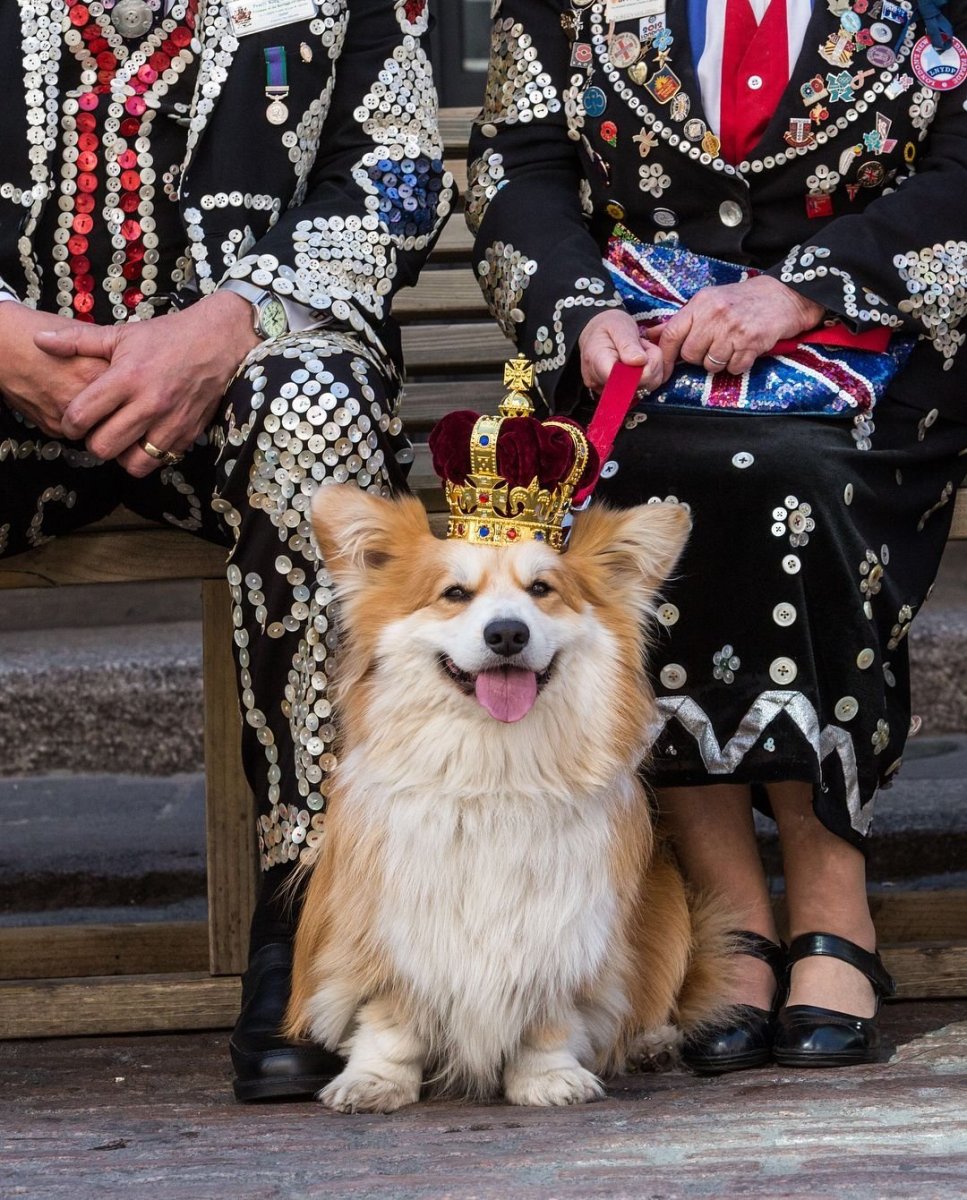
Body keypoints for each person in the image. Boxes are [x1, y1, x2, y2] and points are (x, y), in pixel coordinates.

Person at [468, 0, 967, 1071]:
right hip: (639, 354)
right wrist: (580, 313)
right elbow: (519, 171)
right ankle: (723, 898)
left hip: (868, 347)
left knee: (789, 476)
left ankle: (830, 882)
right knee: (652, 482)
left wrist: (802, 291)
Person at [0, 0, 452, 1099]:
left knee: (320, 422)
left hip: (244, 369)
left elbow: (395, 170)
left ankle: (318, 917)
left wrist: (236, 317)